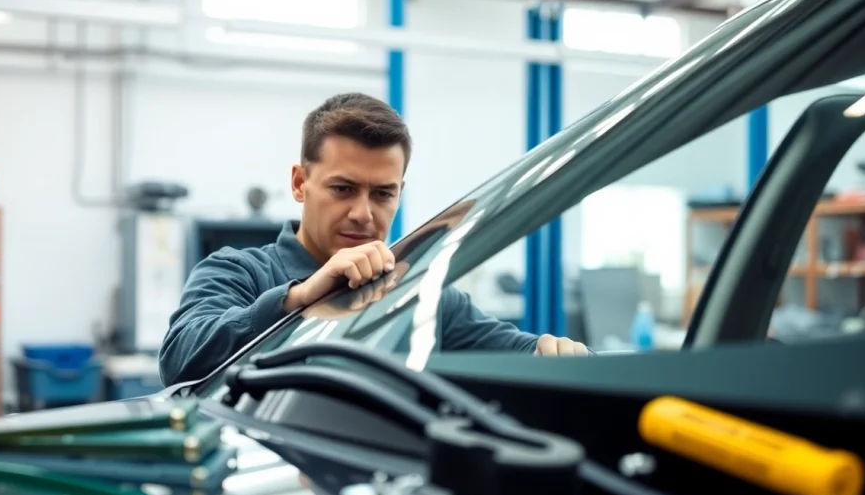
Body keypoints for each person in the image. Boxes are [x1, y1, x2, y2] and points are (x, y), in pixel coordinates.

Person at [159, 93, 588, 386]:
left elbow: (516, 353)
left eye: (383, 193)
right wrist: (299, 298)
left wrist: (551, 353)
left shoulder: (421, 293)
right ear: (299, 182)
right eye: (343, 189)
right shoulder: (239, 272)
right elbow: (179, 360)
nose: (364, 213)